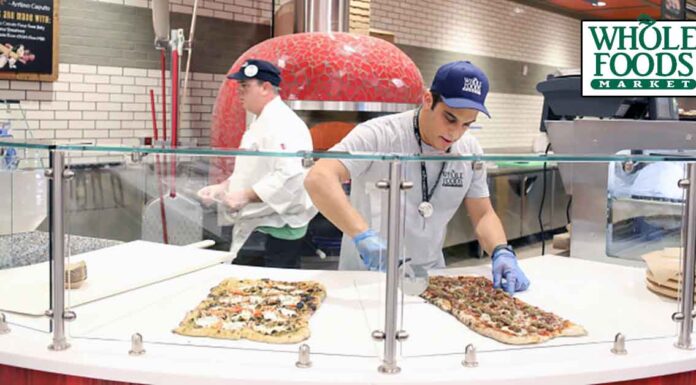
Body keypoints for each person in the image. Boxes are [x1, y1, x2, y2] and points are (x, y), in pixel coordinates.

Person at [304, 61, 530, 295]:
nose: (456, 133)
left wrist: (501, 251)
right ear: (428, 100)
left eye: (467, 124)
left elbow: (483, 213)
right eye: (450, 119)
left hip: (430, 277)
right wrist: (364, 236)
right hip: (366, 276)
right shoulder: (380, 134)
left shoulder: (469, 150)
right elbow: (319, 178)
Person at [198, 59, 316, 268]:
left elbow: (290, 176)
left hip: (276, 229)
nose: (239, 92)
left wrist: (243, 196)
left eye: (245, 86)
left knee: (268, 294)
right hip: (262, 225)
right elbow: (255, 169)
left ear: (265, 87)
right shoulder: (262, 121)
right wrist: (223, 187)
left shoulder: (281, 123)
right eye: (239, 87)